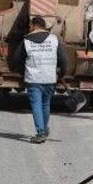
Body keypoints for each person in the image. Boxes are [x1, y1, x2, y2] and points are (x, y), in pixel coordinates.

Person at [10, 16, 68, 144]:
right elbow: (64, 61)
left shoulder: (26, 40)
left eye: (30, 25)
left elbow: (15, 60)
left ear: (34, 25)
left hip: (34, 79)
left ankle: (41, 132)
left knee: (36, 104)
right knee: (45, 104)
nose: (29, 28)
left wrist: (21, 72)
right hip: (50, 78)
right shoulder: (54, 39)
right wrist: (61, 74)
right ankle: (44, 129)